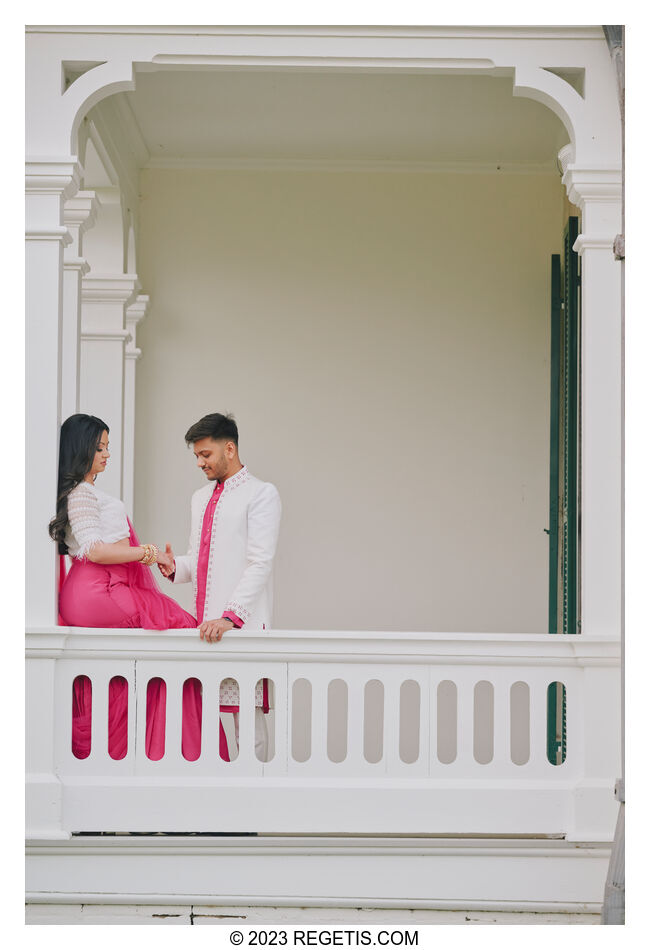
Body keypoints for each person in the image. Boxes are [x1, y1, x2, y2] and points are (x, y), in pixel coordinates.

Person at [49, 413, 197, 760]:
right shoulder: (81, 494)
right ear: (80, 449)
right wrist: (149, 553)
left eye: (107, 447)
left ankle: (153, 744)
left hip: (92, 591)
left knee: (150, 654)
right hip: (98, 591)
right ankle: (170, 747)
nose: (106, 454)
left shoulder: (84, 492)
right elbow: (95, 549)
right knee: (183, 626)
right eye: (99, 447)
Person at [158, 412, 281, 761]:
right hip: (204, 629)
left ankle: (255, 798)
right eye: (196, 456)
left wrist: (230, 617)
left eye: (205, 454)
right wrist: (174, 566)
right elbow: (199, 558)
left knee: (248, 723)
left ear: (230, 448)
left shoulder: (261, 494)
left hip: (240, 627)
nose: (200, 462)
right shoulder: (200, 498)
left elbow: (260, 562)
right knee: (203, 722)